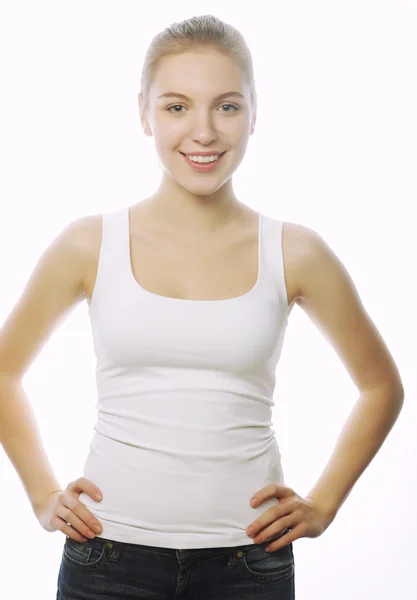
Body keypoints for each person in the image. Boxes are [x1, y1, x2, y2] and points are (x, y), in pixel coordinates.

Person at [0, 14, 404, 600]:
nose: (205, 131)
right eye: (177, 106)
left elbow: (380, 386)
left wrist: (323, 505)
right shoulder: (89, 244)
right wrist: (41, 496)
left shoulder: (295, 251)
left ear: (255, 113)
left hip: (247, 563)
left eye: (227, 106)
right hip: (107, 559)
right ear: (144, 113)